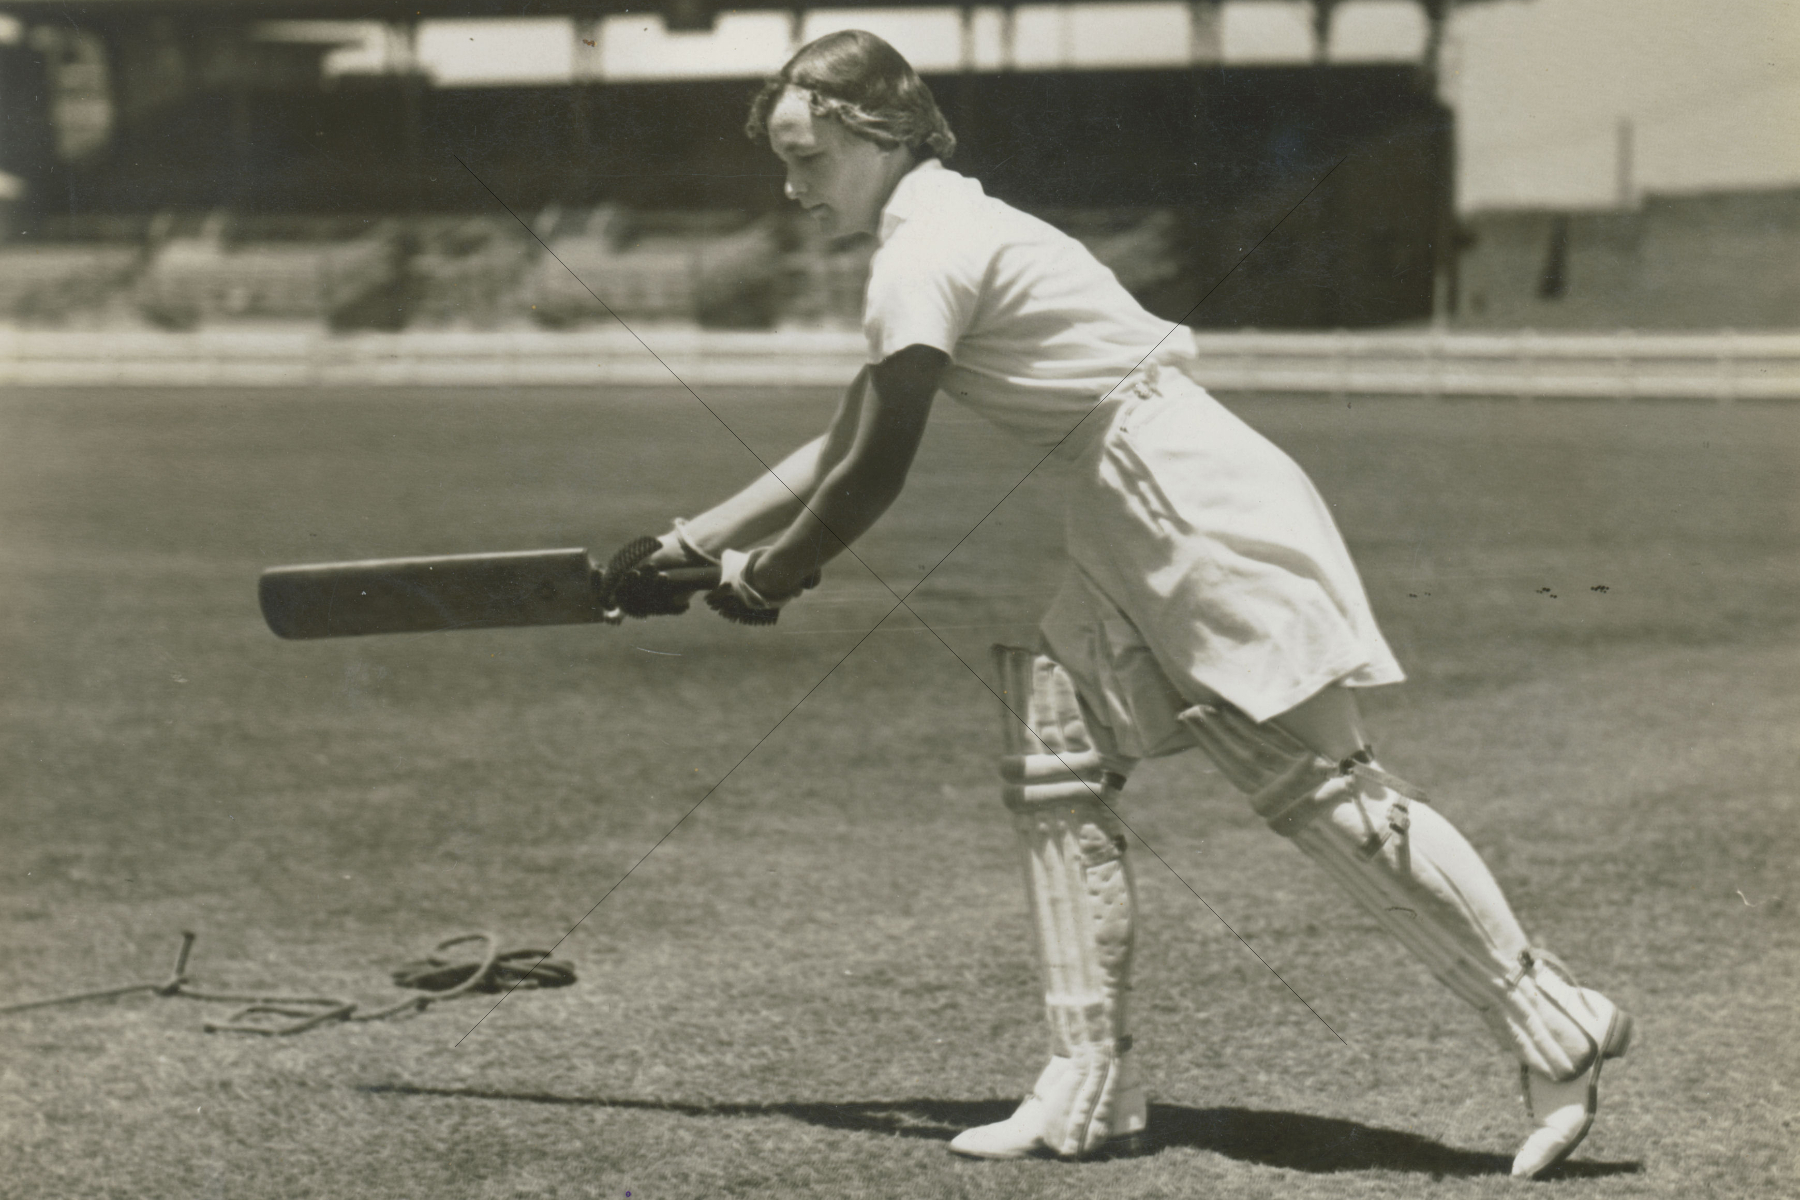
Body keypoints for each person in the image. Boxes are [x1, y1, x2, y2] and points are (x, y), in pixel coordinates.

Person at [603, 30, 1631, 1179]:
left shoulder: (928, 251)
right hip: (1131, 499)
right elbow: (849, 428)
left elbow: (873, 470)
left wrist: (776, 575)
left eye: (804, 157)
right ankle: (1087, 1088)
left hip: (1185, 500)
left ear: (875, 132)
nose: (791, 188)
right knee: (1057, 753)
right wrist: (692, 543)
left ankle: (1554, 1020)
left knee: (1327, 789)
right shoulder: (946, 228)